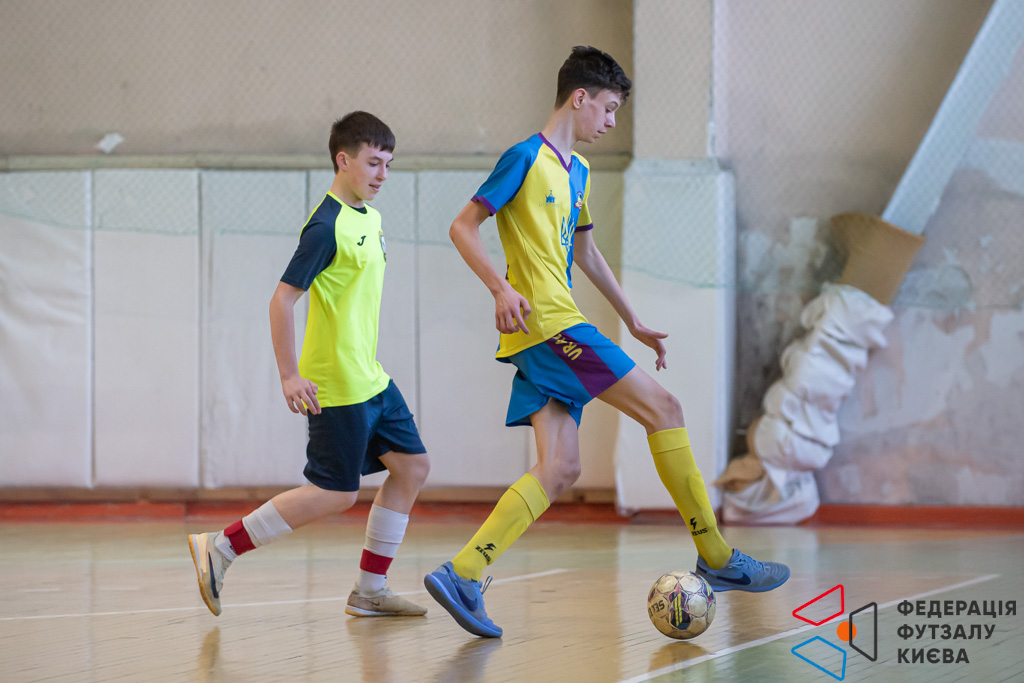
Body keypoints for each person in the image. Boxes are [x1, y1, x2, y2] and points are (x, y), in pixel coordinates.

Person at [424, 46, 789, 638]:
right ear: (580, 98)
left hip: (549, 331)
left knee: (560, 468)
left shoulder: (580, 172)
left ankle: (463, 573)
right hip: (550, 326)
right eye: (610, 108)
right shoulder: (525, 157)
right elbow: (462, 226)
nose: (613, 122)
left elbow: (586, 252)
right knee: (664, 408)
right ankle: (717, 556)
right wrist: (499, 287)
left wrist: (634, 320)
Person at [188, 111, 430, 619]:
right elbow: (281, 300)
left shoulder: (370, 217)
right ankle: (221, 547)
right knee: (334, 493)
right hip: (336, 383)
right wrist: (289, 375)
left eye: (388, 164)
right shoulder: (325, 226)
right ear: (343, 160)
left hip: (371, 378)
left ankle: (370, 590)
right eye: (374, 162)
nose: (383, 174)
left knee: (412, 467)